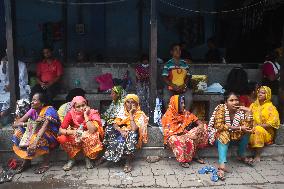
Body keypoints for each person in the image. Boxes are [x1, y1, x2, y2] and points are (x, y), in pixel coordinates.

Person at [208, 92, 254, 180]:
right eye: (231, 100)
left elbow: (247, 127)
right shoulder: (220, 108)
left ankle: (241, 155)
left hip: (234, 137)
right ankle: (222, 166)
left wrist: (248, 111)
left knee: (248, 131)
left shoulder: (240, 111)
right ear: (226, 102)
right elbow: (220, 127)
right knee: (224, 133)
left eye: (236, 100)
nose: (235, 102)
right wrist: (239, 128)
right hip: (218, 138)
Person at [12, 93, 60, 174]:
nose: (32, 102)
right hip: (36, 132)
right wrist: (27, 124)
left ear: (42, 103)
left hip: (51, 136)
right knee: (18, 133)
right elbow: (16, 123)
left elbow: (44, 128)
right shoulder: (33, 110)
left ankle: (45, 163)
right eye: (32, 100)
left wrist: (34, 142)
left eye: (34, 100)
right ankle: (27, 161)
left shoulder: (49, 110)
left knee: (36, 138)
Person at [100, 94, 148, 173]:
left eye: (132, 102)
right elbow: (115, 123)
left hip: (132, 134)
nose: (129, 104)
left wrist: (131, 114)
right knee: (109, 128)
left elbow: (134, 128)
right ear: (125, 103)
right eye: (127, 102)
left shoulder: (140, 115)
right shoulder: (122, 111)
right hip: (122, 132)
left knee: (132, 135)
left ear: (136, 104)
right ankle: (107, 153)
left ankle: (128, 161)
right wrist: (121, 131)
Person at [57, 96, 103, 171]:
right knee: (62, 138)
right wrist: (73, 132)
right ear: (74, 108)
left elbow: (92, 130)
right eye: (78, 107)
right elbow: (61, 130)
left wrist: (85, 115)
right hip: (76, 134)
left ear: (86, 104)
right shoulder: (71, 113)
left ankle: (88, 158)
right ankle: (72, 159)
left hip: (89, 134)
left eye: (83, 105)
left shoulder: (92, 112)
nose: (81, 108)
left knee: (93, 137)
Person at [161, 95, 208, 168]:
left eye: (183, 103)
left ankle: (194, 154)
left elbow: (199, 122)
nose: (184, 105)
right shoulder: (167, 116)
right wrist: (188, 135)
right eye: (181, 103)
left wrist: (200, 127)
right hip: (175, 137)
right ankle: (183, 160)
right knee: (175, 140)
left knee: (204, 128)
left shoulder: (185, 113)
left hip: (187, 134)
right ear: (175, 104)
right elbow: (171, 133)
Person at [249, 86, 280, 162]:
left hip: (266, 133)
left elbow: (273, 123)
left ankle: (257, 156)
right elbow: (248, 117)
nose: (260, 94)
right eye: (259, 92)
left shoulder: (271, 108)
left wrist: (258, 126)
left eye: (263, 93)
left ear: (268, 95)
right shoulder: (253, 105)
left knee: (258, 129)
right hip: (251, 129)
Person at [0, 51, 30, 126]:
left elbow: (23, 81)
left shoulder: (21, 64)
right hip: (5, 89)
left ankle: (5, 116)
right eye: (7, 55)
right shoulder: (3, 64)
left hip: (19, 87)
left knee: (12, 98)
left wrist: (13, 86)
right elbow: (2, 79)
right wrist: (3, 67)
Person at [162, 43, 193, 110]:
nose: (178, 51)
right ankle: (170, 116)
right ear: (171, 52)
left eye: (179, 50)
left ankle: (185, 117)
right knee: (166, 98)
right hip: (171, 87)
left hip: (182, 87)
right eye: (175, 49)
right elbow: (164, 77)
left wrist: (184, 85)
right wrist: (173, 85)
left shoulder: (184, 64)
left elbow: (187, 76)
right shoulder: (168, 64)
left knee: (189, 98)